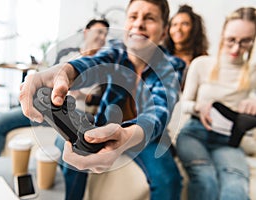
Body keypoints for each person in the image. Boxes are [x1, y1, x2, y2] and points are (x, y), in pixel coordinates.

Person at [19, 0, 185, 199]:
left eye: (149, 18)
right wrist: (66, 72)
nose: (138, 24)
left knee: (169, 180)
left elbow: (159, 109)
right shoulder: (115, 53)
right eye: (133, 17)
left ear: (164, 31)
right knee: (74, 151)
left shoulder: (172, 65)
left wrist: (127, 136)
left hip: (148, 138)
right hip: (105, 125)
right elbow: (92, 64)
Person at [0, 18, 110, 159]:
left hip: (78, 113)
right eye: (99, 32)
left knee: (67, 143)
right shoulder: (66, 55)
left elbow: (104, 100)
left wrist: (84, 96)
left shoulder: (106, 66)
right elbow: (45, 76)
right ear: (86, 33)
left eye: (105, 34)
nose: (102, 37)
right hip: (49, 106)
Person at [175, 7, 256, 200]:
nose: (236, 48)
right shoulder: (201, 64)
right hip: (193, 134)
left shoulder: (252, 73)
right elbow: (181, 104)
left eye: (245, 42)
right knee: (205, 178)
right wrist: (198, 107)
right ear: (222, 35)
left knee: (235, 185)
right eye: (231, 40)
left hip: (228, 141)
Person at [164, 4, 208, 90]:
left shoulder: (203, 59)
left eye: (184, 24)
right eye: (174, 24)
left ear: (194, 28)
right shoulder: (161, 57)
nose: (178, 29)